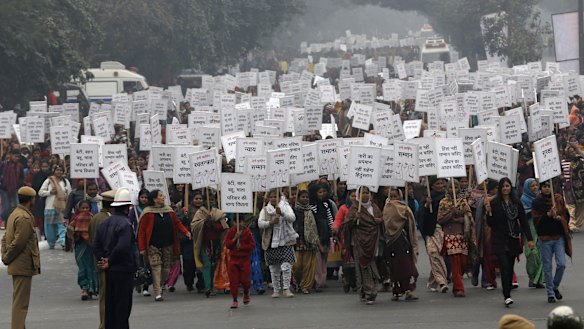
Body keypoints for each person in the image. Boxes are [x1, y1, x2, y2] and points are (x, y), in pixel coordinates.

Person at [92, 188, 139, 329]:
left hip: (110, 270)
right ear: (127, 208)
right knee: (122, 308)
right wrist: (110, 260)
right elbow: (122, 247)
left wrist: (104, 260)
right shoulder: (125, 224)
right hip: (123, 269)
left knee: (110, 305)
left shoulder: (104, 223)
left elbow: (96, 245)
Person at [486, 177, 534, 307]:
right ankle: (506, 295)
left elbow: (523, 222)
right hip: (499, 239)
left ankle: (507, 290)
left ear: (510, 187)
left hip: (513, 239)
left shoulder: (516, 203)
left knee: (510, 266)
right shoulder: (494, 203)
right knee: (504, 267)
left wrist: (529, 239)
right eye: (503, 187)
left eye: (507, 186)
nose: (505, 189)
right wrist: (489, 213)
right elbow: (490, 223)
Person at [137, 189, 191, 301]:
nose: (163, 197)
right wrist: (142, 248)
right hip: (153, 245)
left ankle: (160, 286)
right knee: (156, 267)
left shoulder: (169, 211)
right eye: (161, 196)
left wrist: (186, 232)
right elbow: (141, 231)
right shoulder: (147, 213)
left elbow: (177, 223)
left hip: (168, 244)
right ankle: (157, 293)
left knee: (166, 269)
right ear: (155, 199)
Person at [1, 187, 40, 329]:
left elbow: (5, 238)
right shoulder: (24, 217)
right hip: (22, 264)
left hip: (17, 264)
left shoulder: (14, 214)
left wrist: (5, 255)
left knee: (19, 301)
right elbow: (19, 242)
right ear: (31, 200)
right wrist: (7, 257)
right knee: (21, 304)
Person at [532, 180, 572, 303]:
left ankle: (554, 286)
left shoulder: (558, 199)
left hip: (558, 237)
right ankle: (550, 293)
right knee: (547, 267)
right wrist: (548, 215)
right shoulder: (537, 202)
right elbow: (536, 222)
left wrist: (560, 218)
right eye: (544, 186)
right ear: (541, 188)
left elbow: (567, 216)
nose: (546, 189)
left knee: (561, 264)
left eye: (549, 186)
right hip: (545, 239)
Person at [342, 186, 382, 305]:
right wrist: (355, 219)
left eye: (367, 193)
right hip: (358, 243)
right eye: (362, 193)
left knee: (372, 265)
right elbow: (346, 225)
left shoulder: (374, 207)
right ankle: (366, 292)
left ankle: (372, 289)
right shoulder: (354, 208)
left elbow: (380, 219)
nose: (365, 195)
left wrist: (379, 220)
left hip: (372, 242)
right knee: (362, 267)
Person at [258, 189, 298, 298]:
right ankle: (276, 290)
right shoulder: (265, 210)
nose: (273, 199)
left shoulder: (286, 206)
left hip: (285, 241)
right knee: (274, 268)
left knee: (286, 266)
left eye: (275, 197)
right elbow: (260, 223)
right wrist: (270, 223)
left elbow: (292, 218)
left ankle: (286, 288)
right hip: (271, 242)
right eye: (271, 197)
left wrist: (283, 213)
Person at [437, 179, 474, 297]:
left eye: (456, 187)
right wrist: (451, 214)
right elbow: (440, 219)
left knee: (463, 262)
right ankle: (459, 288)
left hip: (462, 235)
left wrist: (460, 219)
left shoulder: (462, 202)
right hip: (449, 235)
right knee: (455, 261)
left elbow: (469, 217)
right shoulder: (443, 202)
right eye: (450, 188)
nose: (453, 190)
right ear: (446, 189)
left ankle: (456, 277)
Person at [382, 188, 419, 301]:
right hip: (392, 242)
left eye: (396, 197)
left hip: (404, 241)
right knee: (395, 268)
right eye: (391, 197)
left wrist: (407, 215)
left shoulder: (405, 208)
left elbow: (411, 225)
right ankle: (397, 291)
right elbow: (386, 224)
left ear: (400, 197)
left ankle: (409, 290)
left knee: (408, 267)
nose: (394, 199)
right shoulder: (386, 209)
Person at [191, 191, 228, 297]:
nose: (210, 201)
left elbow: (223, 227)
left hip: (216, 243)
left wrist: (213, 223)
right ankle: (208, 287)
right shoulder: (200, 213)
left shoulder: (218, 213)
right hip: (205, 243)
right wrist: (204, 223)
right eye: (207, 199)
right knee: (207, 265)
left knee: (215, 265)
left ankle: (215, 285)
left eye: (212, 200)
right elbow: (194, 226)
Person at [88, 190, 115, 329]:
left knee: (104, 294)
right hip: (105, 261)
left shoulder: (96, 217)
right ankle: (104, 324)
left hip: (99, 260)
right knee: (106, 295)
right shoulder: (106, 220)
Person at [418, 177, 449, 293]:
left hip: (443, 230)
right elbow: (420, 216)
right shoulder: (426, 199)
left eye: (442, 183)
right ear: (432, 186)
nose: (441, 185)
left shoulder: (446, 197)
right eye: (438, 183)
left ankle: (432, 282)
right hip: (430, 230)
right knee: (433, 252)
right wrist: (427, 206)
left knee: (439, 255)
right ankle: (442, 281)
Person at [69, 200, 99, 300]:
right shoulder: (76, 219)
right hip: (80, 246)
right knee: (82, 267)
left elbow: (96, 230)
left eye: (87, 208)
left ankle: (91, 288)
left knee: (91, 267)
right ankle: (84, 288)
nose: (85, 210)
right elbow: (70, 231)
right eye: (83, 208)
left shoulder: (93, 218)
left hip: (90, 246)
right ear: (78, 209)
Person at [224, 214, 255, 309]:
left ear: (244, 222)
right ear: (233, 222)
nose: (238, 224)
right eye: (236, 222)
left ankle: (246, 293)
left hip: (244, 259)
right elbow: (227, 244)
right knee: (233, 281)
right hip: (233, 259)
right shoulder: (231, 231)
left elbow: (252, 245)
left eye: (240, 221)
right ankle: (234, 299)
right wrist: (234, 239)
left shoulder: (247, 232)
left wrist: (242, 247)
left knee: (245, 280)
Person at [38, 165, 72, 249]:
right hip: (50, 207)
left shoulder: (65, 182)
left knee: (62, 226)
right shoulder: (48, 181)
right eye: (57, 170)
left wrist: (66, 194)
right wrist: (50, 192)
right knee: (49, 227)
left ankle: (64, 243)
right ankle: (51, 243)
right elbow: (40, 192)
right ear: (54, 171)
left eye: (61, 170)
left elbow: (70, 194)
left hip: (62, 208)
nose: (59, 172)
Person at [309, 183, 335, 291]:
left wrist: (332, 232)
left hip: (326, 235)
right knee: (317, 261)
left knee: (324, 260)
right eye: (319, 192)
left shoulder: (326, 205)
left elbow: (330, 220)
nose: (322, 194)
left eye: (324, 191)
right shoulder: (312, 206)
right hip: (317, 235)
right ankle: (318, 282)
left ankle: (322, 281)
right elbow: (311, 222)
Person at [293, 189, 319, 294]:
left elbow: (316, 226)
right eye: (303, 197)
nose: (305, 199)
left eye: (306, 197)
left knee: (308, 265)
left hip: (309, 241)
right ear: (298, 198)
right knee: (297, 265)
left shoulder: (312, 210)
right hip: (297, 240)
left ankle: (306, 286)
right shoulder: (293, 211)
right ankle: (297, 282)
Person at [520, 178, 545, 288]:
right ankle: (532, 276)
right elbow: (522, 215)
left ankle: (539, 279)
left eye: (536, 185)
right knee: (532, 253)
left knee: (541, 252)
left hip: (540, 227)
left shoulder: (541, 198)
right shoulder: (523, 199)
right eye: (532, 186)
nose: (535, 188)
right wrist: (533, 211)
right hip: (529, 228)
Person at [332, 190, 357, 293]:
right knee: (347, 261)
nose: (354, 198)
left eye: (356, 196)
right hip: (345, 237)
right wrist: (335, 228)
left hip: (358, 237)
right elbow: (338, 220)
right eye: (352, 196)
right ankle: (346, 278)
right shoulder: (343, 208)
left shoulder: (361, 208)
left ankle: (356, 282)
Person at [128, 188, 151, 296]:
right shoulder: (135, 210)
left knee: (148, 263)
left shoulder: (151, 209)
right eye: (142, 197)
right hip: (137, 238)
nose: (144, 199)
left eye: (146, 197)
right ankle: (138, 281)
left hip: (149, 238)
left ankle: (146, 286)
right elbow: (130, 222)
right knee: (139, 261)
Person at [0, 150, 25, 228]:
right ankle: (2, 219)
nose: (16, 158)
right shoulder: (4, 165)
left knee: (17, 207)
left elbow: (22, 178)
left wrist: (18, 183)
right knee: (6, 208)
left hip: (15, 189)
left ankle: (14, 224)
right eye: (15, 156)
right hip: (4, 189)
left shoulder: (20, 166)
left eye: (18, 157)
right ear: (11, 155)